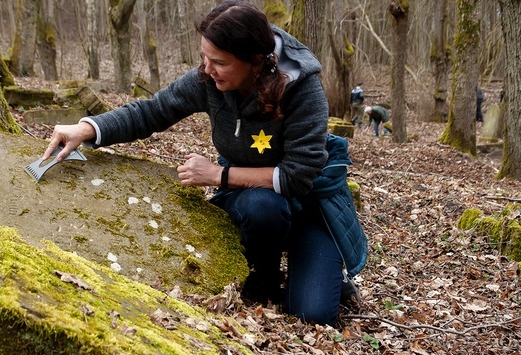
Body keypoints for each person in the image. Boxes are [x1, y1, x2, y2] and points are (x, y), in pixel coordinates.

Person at [43, 0, 367, 327]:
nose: (207, 70)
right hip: (260, 203)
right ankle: (264, 277)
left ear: (255, 62)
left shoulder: (302, 87)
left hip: (311, 204)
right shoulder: (209, 79)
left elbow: (298, 176)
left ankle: (319, 268)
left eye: (219, 62)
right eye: (204, 58)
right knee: (262, 206)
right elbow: (151, 112)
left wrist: (217, 175)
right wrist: (87, 129)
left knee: (313, 314)